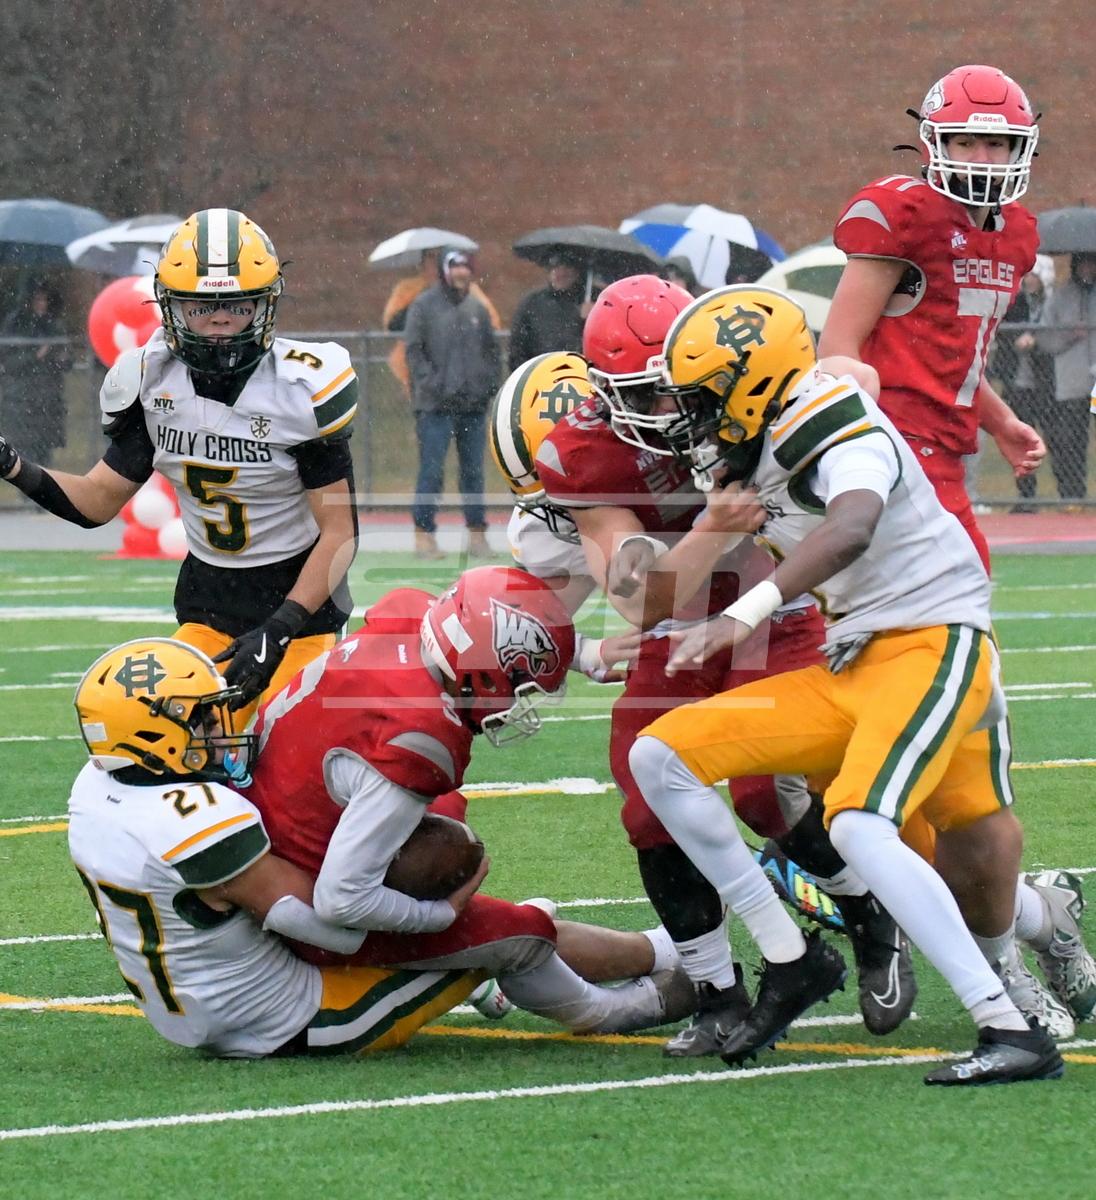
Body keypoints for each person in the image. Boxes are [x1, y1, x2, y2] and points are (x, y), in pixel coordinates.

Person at [628, 283, 1066, 1084]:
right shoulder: (752, 449)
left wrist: (741, 616)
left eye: (701, 398)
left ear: (753, 383)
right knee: (659, 757)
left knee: (871, 828)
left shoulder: (826, 416)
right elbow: (646, 596)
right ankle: (789, 956)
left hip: (934, 642)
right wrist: (708, 533)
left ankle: (1011, 1029)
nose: (686, 417)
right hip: (852, 663)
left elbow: (852, 524)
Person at [533, 275, 917, 1054]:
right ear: (604, 392)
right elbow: (638, 599)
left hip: (775, 609)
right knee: (646, 801)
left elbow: (854, 379)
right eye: (645, 394)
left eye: (678, 387)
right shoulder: (583, 449)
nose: (669, 409)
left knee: (764, 795)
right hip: (677, 624)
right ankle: (715, 990)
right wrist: (712, 527)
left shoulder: (743, 389)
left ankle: (870, 915)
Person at [249, 565, 695, 1036]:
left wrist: (582, 654)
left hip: (275, 821)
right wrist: (442, 914)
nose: (519, 701)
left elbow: (480, 623)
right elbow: (341, 901)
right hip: (303, 904)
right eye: (519, 683)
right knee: (520, 932)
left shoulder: (411, 617)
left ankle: (650, 950)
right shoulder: (417, 737)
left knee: (447, 814)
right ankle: (611, 1009)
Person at [0, 209, 358, 725]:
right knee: (160, 736)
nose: (220, 320)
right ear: (170, 305)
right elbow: (97, 501)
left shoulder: (301, 389)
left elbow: (340, 532)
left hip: (302, 616)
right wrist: (12, 465)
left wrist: (278, 630)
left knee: (292, 748)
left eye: (237, 304)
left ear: (265, 303)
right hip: (209, 609)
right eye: (202, 305)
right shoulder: (152, 381)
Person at [69, 636, 478, 1058]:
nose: (221, 730)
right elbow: (333, 931)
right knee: (498, 938)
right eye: (205, 722)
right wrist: (437, 914)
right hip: (297, 1017)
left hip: (195, 1004)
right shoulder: (199, 821)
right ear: (154, 738)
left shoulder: (94, 789)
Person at [819, 63, 1045, 571]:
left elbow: (952, 359)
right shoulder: (906, 214)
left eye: (996, 144)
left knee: (953, 590)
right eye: (965, 142)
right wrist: (859, 444)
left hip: (946, 450)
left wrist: (1002, 423)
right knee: (957, 586)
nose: (982, 158)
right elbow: (837, 348)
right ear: (934, 142)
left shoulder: (1017, 234)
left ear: (1020, 148)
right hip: (889, 443)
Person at [404, 249, 500, 560]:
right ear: (445, 271)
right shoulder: (424, 306)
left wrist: (487, 387)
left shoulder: (477, 308)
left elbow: (491, 352)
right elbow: (413, 351)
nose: (461, 272)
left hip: (473, 407)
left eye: (465, 267)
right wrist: (433, 385)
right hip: (435, 408)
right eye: (455, 266)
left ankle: (477, 535)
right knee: (431, 472)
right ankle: (424, 536)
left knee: (473, 473)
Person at [381, 249, 501, 397]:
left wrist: (485, 381)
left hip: (467, 382)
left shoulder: (470, 292)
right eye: (430, 257)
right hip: (426, 383)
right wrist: (425, 295)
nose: (434, 263)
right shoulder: (409, 290)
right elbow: (394, 325)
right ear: (422, 262)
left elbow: (490, 328)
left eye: (438, 257)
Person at [994, 269, 1057, 510]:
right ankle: (1027, 497)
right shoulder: (1016, 302)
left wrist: (1036, 341)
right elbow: (1002, 332)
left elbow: (1053, 334)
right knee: (1023, 441)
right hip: (1018, 384)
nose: (1031, 280)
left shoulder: (1050, 303)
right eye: (1028, 275)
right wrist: (1018, 339)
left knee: (1057, 439)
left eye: (1035, 276)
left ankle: (1070, 496)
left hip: (1044, 384)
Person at [1036, 253, 1096, 503]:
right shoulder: (1060, 298)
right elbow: (1044, 339)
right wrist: (1070, 335)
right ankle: (1073, 495)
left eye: (1092, 264)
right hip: (1072, 382)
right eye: (1084, 264)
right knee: (1072, 440)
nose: (1088, 269)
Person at [0, 283, 70, 468]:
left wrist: (61, 358)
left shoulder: (53, 325)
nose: (42, 304)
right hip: (22, 398)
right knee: (24, 452)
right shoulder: (15, 325)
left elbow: (65, 359)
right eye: (38, 299)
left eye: (45, 299)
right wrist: (35, 356)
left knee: (45, 452)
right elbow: (8, 362)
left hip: (48, 398)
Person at [508, 252, 593, 373]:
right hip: (541, 375)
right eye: (555, 267)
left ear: (577, 272)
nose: (560, 273)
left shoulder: (595, 299)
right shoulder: (532, 303)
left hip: (581, 374)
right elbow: (517, 349)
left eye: (567, 268)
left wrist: (594, 318)